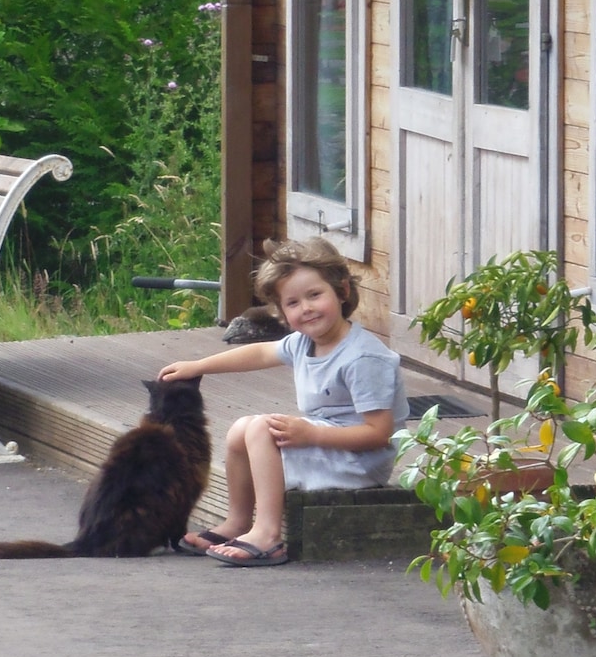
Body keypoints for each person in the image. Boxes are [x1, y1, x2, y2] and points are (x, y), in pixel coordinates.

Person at [157, 238, 409, 567]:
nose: (305, 308)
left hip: (359, 463)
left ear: (342, 291)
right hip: (330, 445)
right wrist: (199, 365)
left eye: (315, 295)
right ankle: (238, 521)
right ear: (281, 311)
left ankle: (268, 534)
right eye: (292, 303)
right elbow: (261, 351)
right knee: (240, 428)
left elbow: (380, 434)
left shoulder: (362, 357)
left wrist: (311, 435)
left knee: (261, 427)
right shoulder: (306, 342)